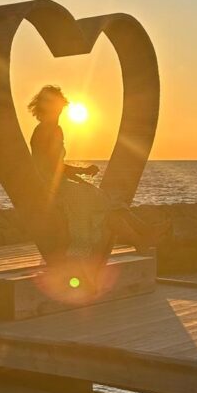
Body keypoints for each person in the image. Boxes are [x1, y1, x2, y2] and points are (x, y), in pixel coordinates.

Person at [27, 85, 170, 270]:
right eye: (57, 108)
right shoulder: (47, 130)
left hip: (57, 183)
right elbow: (51, 166)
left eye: (61, 108)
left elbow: (54, 166)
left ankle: (140, 237)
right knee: (104, 202)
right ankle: (143, 234)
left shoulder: (50, 129)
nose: (60, 112)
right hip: (53, 188)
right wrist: (82, 172)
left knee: (105, 208)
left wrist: (78, 175)